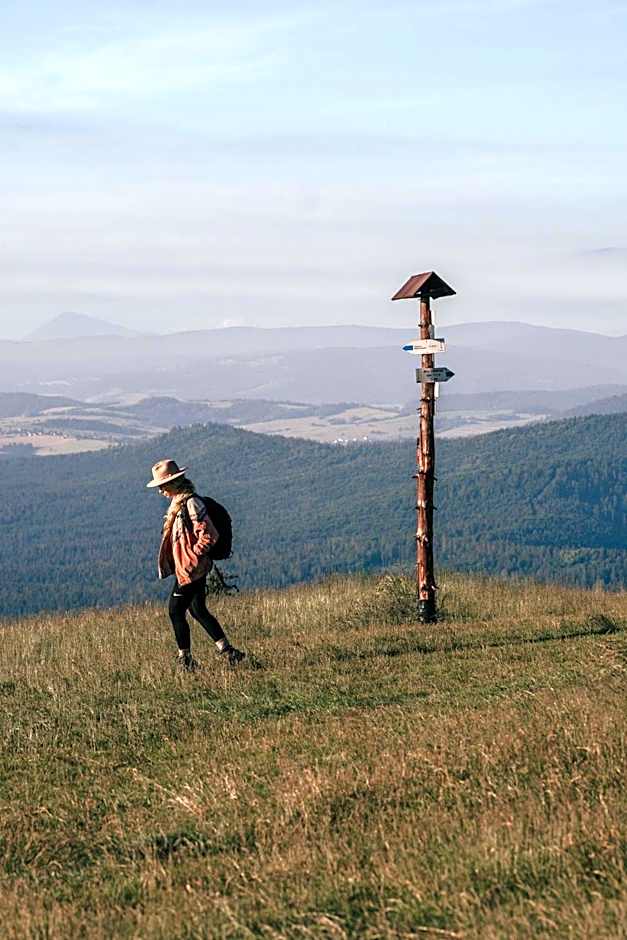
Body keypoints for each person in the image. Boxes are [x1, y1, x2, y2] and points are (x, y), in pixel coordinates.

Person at [146, 458, 245, 671]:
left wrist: (192, 557)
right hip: (192, 566)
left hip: (191, 568)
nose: (160, 491)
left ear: (173, 483)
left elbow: (209, 535)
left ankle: (186, 659)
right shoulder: (180, 502)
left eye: (162, 486)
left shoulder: (191, 503)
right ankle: (228, 651)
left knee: (175, 610)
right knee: (198, 609)